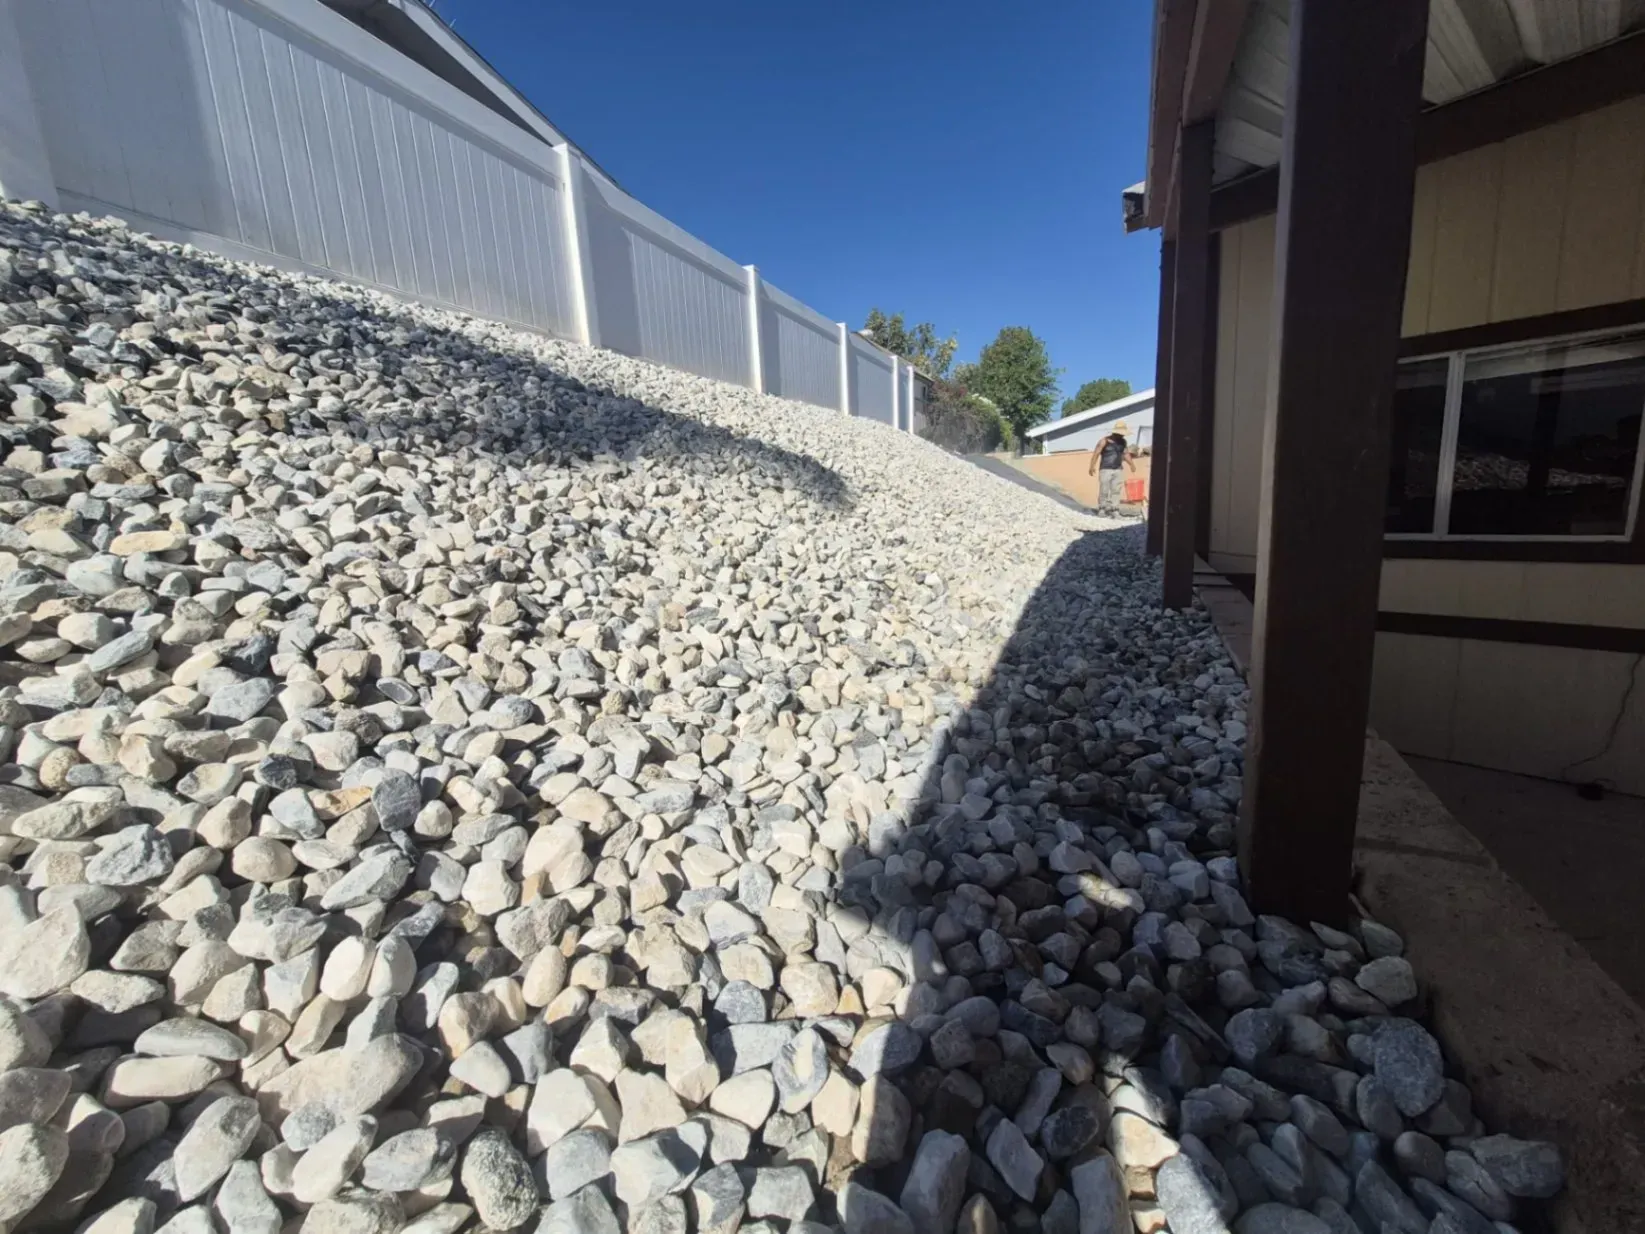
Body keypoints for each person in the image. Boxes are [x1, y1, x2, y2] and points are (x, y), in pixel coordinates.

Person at [1088, 420, 1137, 513]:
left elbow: (1126, 453)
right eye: (1121, 434)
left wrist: (1132, 464)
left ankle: (1115, 509)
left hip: (1118, 469)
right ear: (1115, 433)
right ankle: (1102, 508)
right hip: (1105, 469)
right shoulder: (1104, 441)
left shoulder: (1123, 442)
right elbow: (1096, 453)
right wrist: (1092, 466)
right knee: (1104, 489)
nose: (1122, 435)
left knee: (1116, 490)